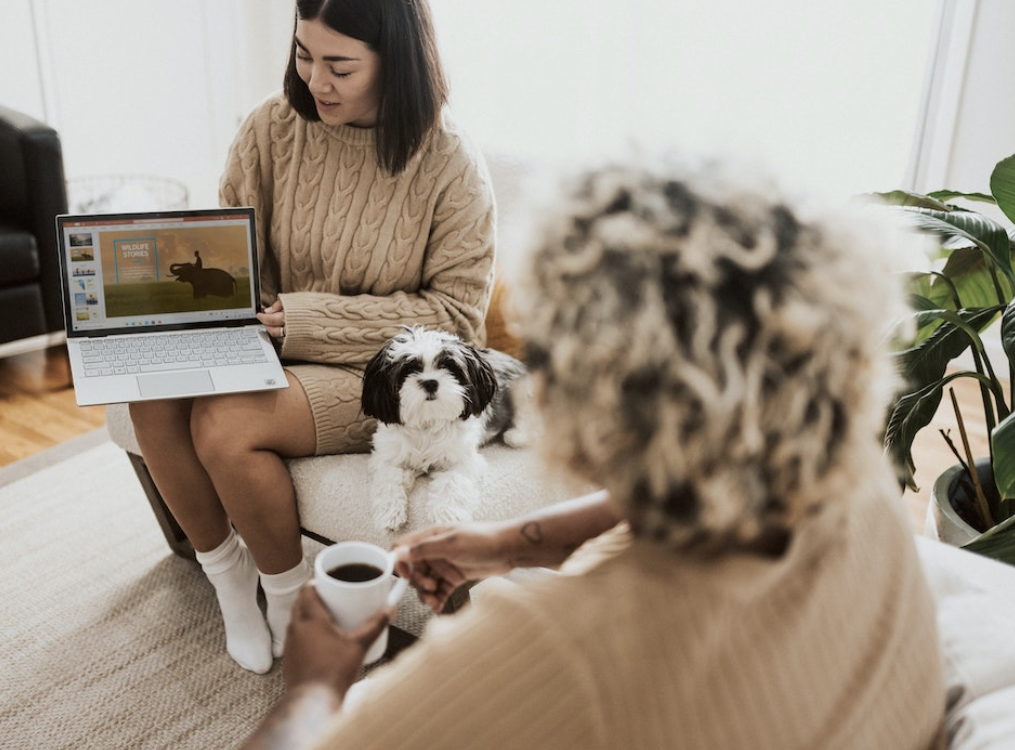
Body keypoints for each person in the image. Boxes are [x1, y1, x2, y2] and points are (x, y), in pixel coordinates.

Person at [241, 155, 947, 749]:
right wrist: (513, 542)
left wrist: (315, 684)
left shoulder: (557, 650)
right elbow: (690, 490)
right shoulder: (850, 473)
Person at [128, 0, 495, 675]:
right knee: (147, 394)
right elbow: (235, 249)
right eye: (303, 54)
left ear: (397, 62)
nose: (315, 80)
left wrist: (306, 320)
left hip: (376, 375)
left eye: (340, 65)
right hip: (270, 340)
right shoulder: (272, 125)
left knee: (224, 423)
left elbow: (457, 320)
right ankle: (228, 578)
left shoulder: (450, 162)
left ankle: (289, 598)